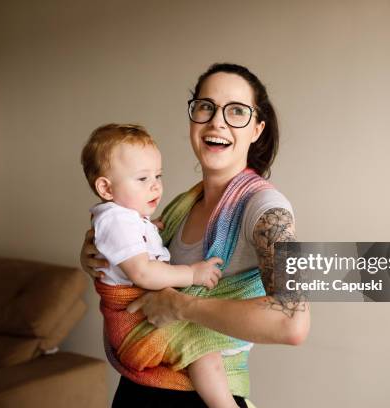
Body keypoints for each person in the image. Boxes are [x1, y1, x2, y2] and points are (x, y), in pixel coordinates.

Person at [80, 63, 310, 408]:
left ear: (257, 129)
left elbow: (292, 322)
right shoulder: (178, 206)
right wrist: (94, 257)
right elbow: (136, 266)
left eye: (236, 111)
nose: (217, 121)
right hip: (139, 387)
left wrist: (181, 305)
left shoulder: (266, 209)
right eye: (206, 107)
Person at [80, 123, 242, 408]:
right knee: (202, 348)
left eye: (158, 175)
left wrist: (147, 230)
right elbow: (142, 272)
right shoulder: (117, 220)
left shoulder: (127, 220)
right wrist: (192, 273)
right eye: (142, 178)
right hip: (131, 324)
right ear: (105, 188)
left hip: (134, 329)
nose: (155, 185)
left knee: (202, 347)